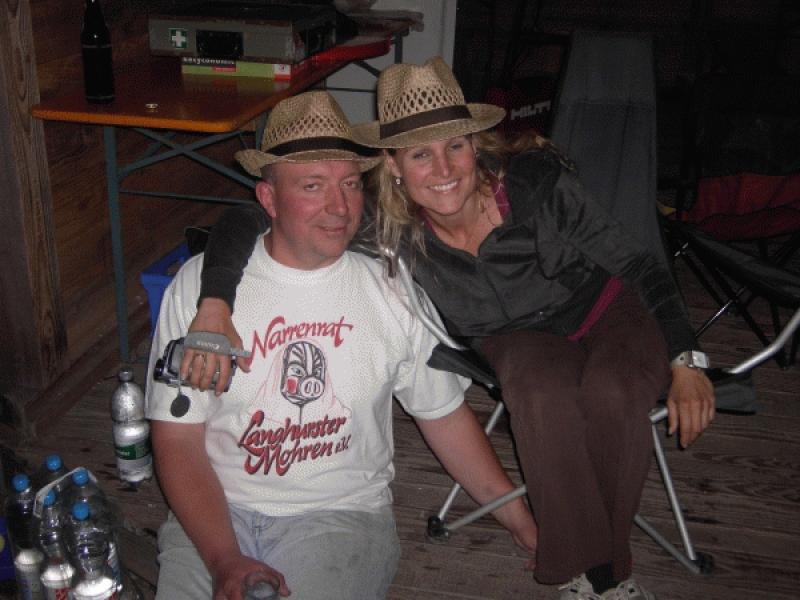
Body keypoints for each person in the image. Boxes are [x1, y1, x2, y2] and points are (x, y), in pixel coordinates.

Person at [187, 59, 715, 600]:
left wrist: (686, 358)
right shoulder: (385, 223)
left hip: (607, 309)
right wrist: (215, 303)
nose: (443, 168)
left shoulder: (535, 184)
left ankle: (607, 569)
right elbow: (249, 218)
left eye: (455, 146)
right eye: (420, 154)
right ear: (393, 164)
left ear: (475, 145)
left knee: (612, 393)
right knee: (541, 395)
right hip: (518, 338)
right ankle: (593, 574)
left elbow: (640, 264)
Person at [145, 90, 537, 600]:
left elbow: (443, 414)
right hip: (214, 510)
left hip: (340, 518)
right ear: (269, 199)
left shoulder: (391, 287)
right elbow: (177, 438)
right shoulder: (203, 292)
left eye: (350, 184)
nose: (339, 206)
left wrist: (519, 518)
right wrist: (224, 558)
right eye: (313, 186)